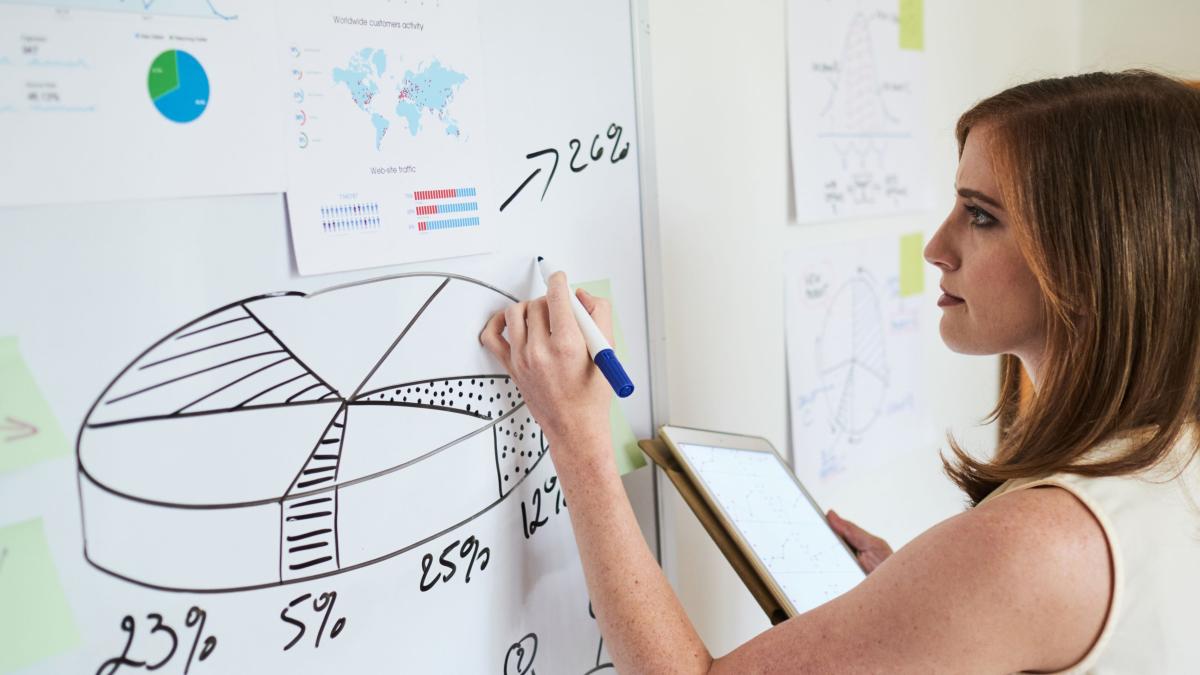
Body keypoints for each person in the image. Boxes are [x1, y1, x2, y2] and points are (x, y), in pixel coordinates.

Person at [479, 70, 1200, 673]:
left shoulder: (1039, 542)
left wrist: (577, 436)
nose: (938, 246)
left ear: (1091, 261)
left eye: (981, 216)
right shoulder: (1168, 459)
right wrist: (919, 600)